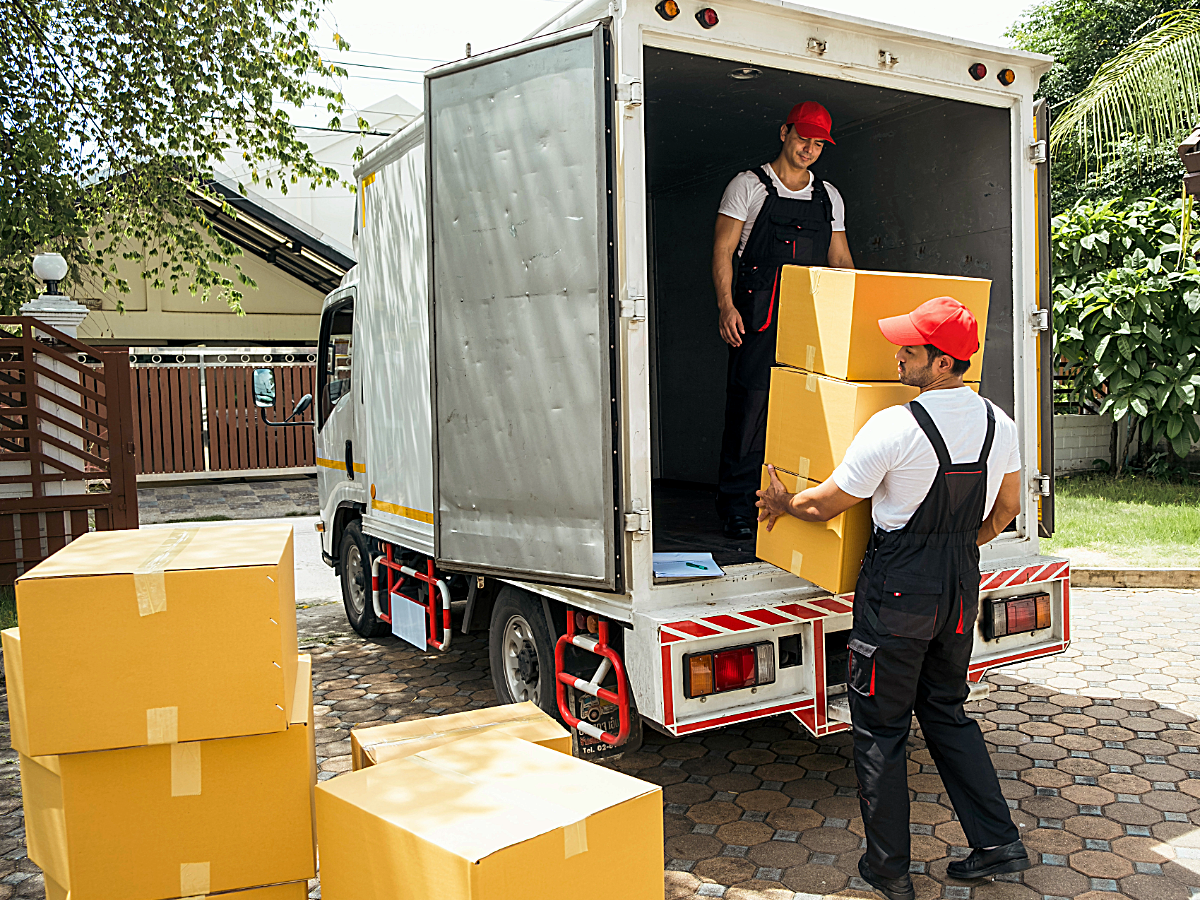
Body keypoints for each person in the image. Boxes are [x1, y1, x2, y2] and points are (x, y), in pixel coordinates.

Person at [755, 297, 1028, 900]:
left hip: (898, 594)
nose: (897, 354)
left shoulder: (895, 426)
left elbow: (825, 503)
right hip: (959, 587)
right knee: (947, 711)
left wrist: (780, 504)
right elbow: (1007, 509)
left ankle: (889, 869)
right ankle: (998, 842)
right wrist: (957, 544)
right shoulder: (998, 424)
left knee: (881, 731)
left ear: (940, 362)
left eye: (909, 348)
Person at [713, 101, 855, 541]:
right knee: (750, 415)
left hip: (809, 324)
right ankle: (737, 508)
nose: (808, 149)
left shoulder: (828, 196)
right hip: (756, 320)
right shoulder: (748, 186)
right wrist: (725, 306)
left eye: (818, 144)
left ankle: (798, 508)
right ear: (784, 132)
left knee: (804, 416)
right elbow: (723, 251)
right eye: (802, 138)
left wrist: (855, 313)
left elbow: (839, 260)